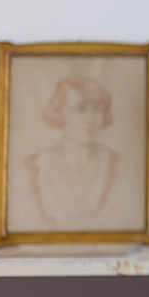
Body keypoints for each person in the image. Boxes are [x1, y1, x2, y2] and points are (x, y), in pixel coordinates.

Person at [24, 75, 121, 228]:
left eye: (98, 110)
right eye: (80, 109)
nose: (91, 119)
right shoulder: (32, 167)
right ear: (60, 112)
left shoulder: (117, 165)